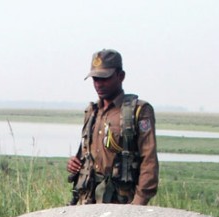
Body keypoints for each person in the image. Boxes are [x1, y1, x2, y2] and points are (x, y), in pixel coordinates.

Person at [67, 49, 158, 206]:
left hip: (121, 201)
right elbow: (87, 153)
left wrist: (138, 203)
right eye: (95, 79)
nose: (98, 84)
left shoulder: (138, 111)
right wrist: (75, 164)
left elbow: (149, 161)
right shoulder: (92, 111)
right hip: (88, 200)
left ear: (120, 76)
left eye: (104, 79)